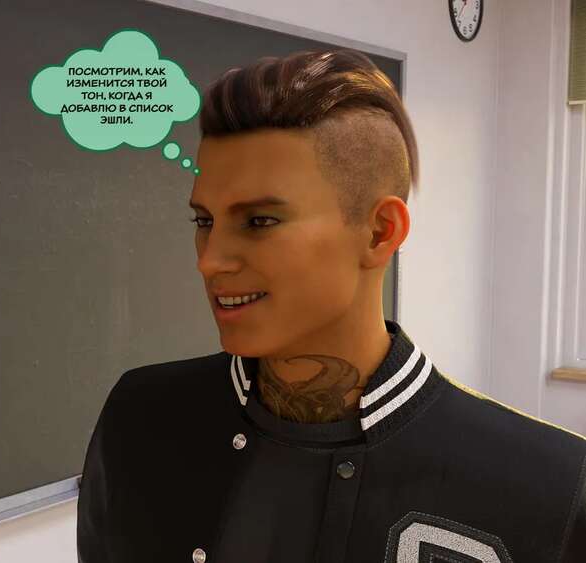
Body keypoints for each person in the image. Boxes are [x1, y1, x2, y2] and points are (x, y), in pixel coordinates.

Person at [76, 48, 586, 563]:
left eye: (259, 222)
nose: (209, 261)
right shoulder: (139, 419)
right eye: (204, 221)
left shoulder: (554, 484)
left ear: (380, 232)